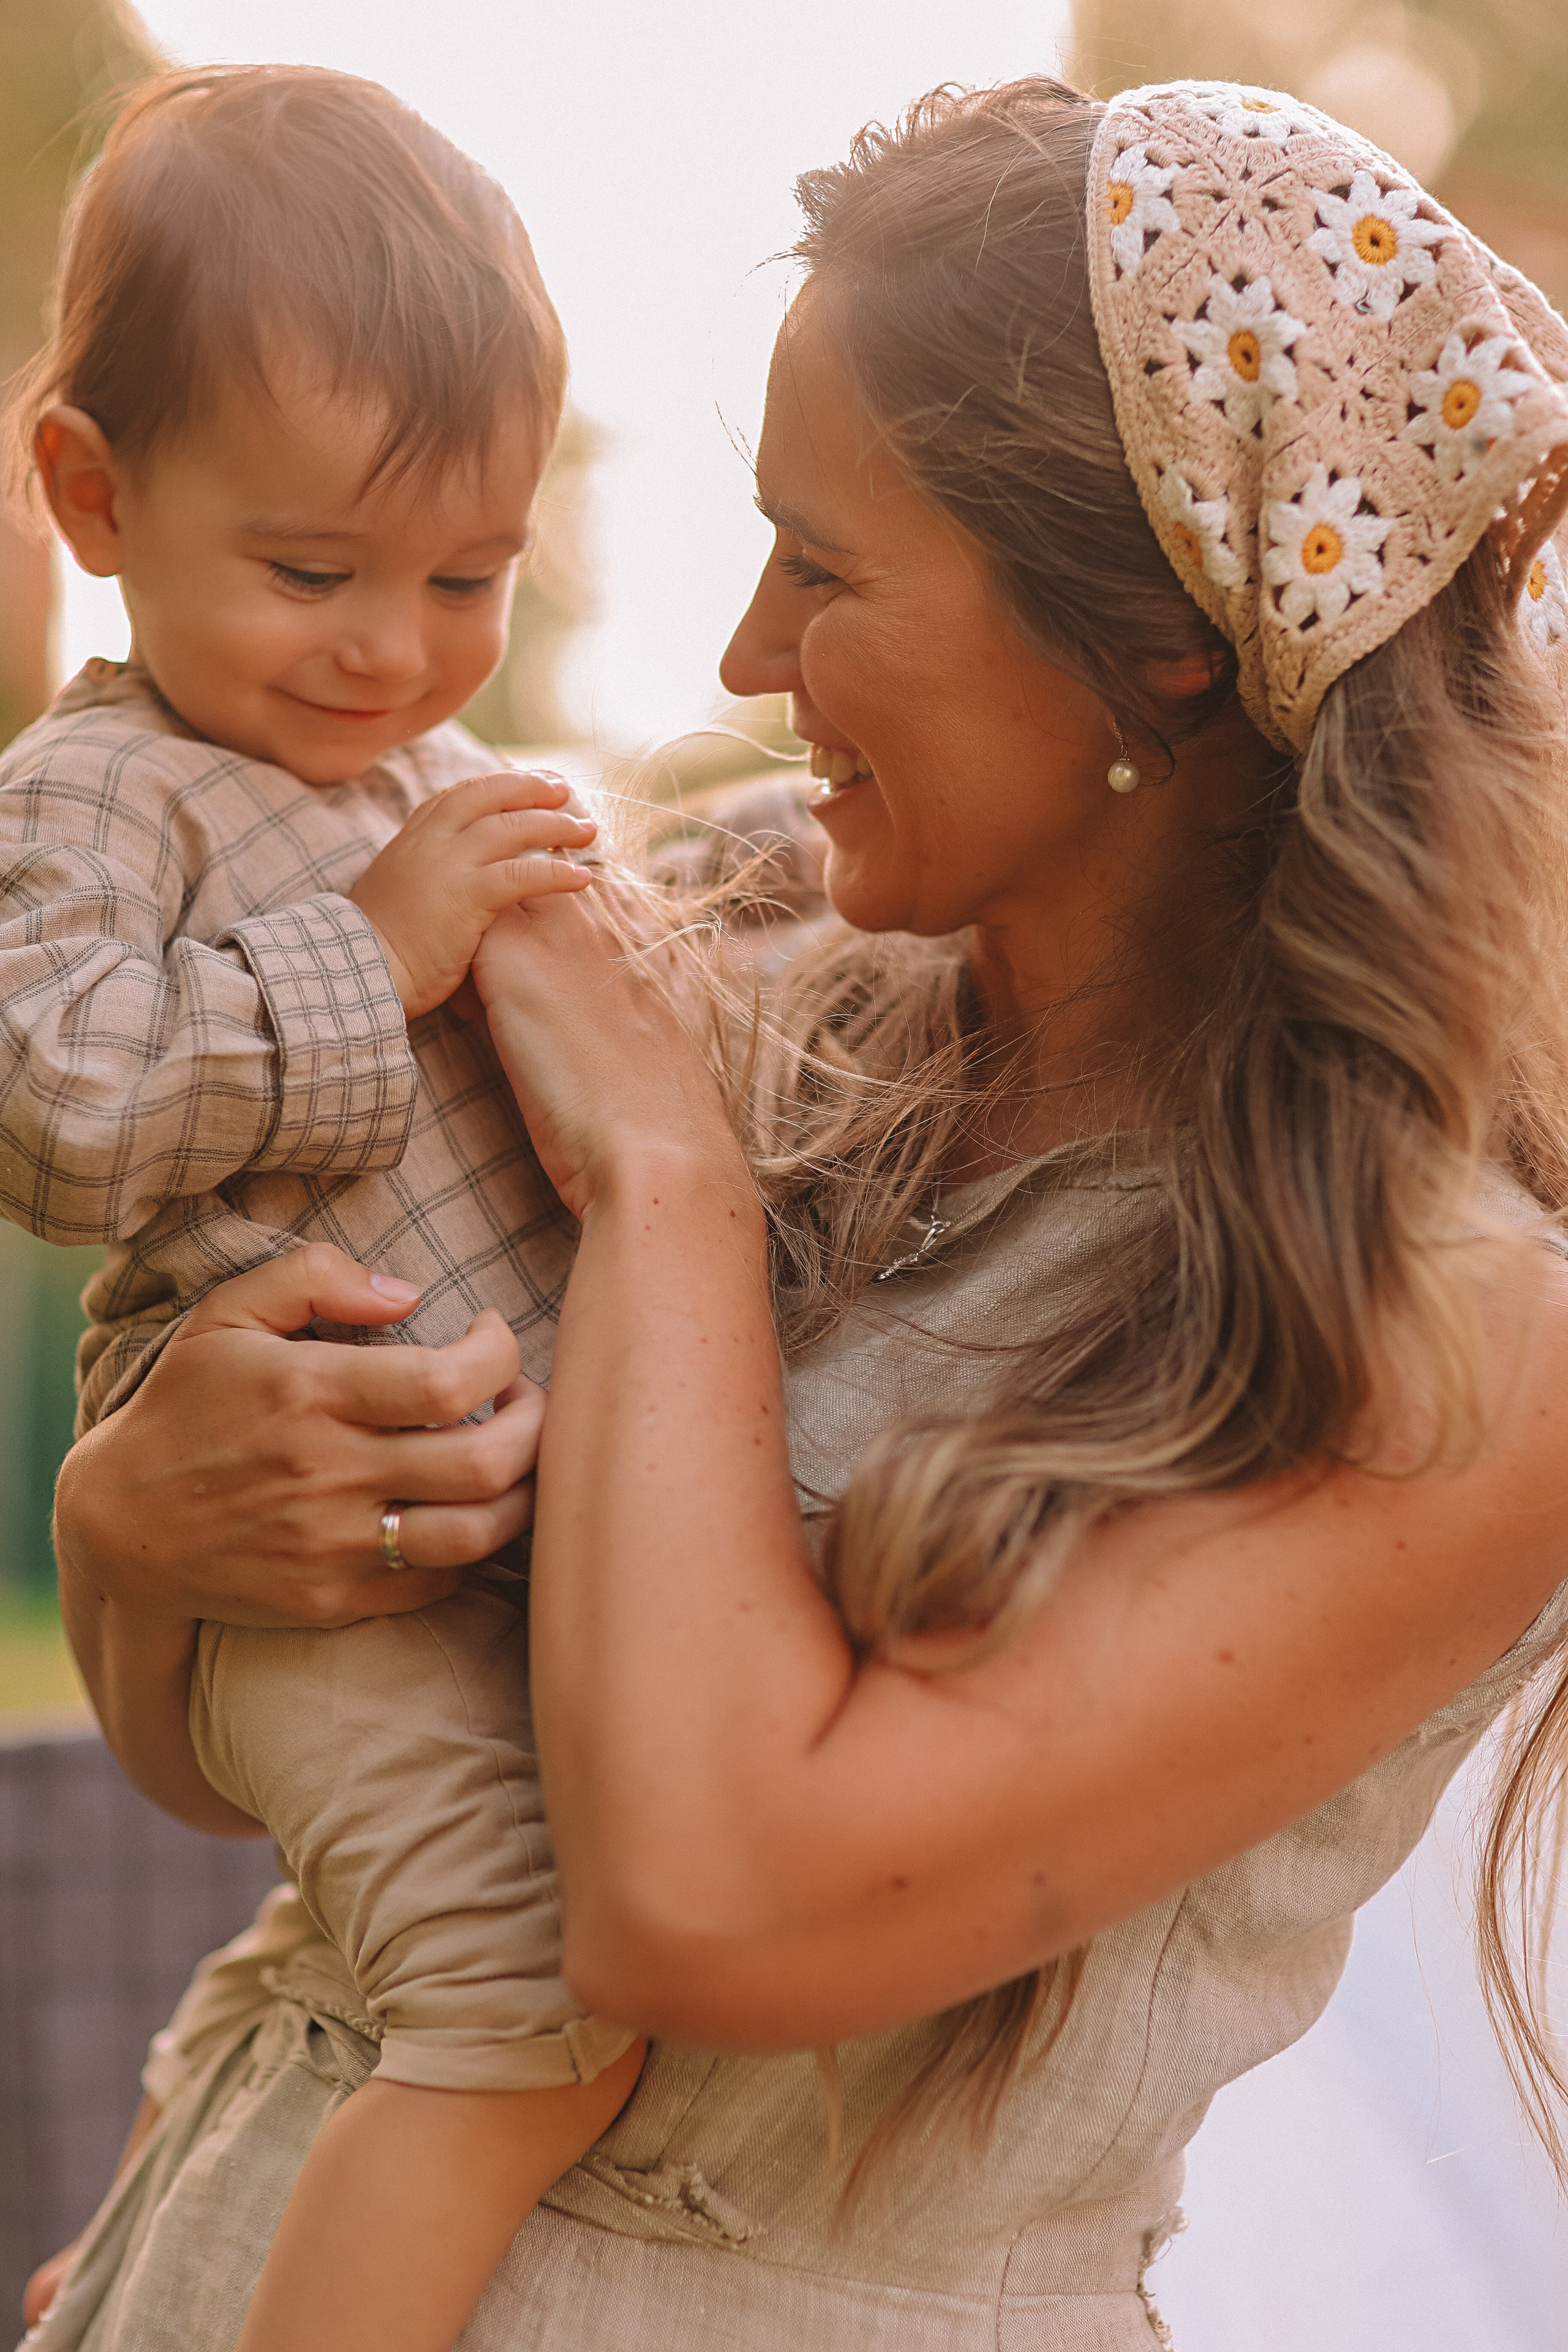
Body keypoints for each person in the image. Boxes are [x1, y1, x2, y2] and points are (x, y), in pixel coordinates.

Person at [30, 72, 1568, 2352]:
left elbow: (710, 1918)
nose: (743, 655)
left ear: (1148, 640)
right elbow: (269, 1770)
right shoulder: (774, 1018)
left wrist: (660, 1182)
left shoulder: (1451, 1336)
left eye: (826, 568)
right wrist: (136, 1533)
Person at [0, 64, 644, 2352]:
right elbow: (58, 1106)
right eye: (311, 574)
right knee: (519, 2011)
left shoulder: (441, 776)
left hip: (475, 1535)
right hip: (307, 1562)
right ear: (93, 489)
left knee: (341, 1961)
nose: (394, 648)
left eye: (468, 577)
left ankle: (141, 2240)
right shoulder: (97, 795)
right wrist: (374, 950)